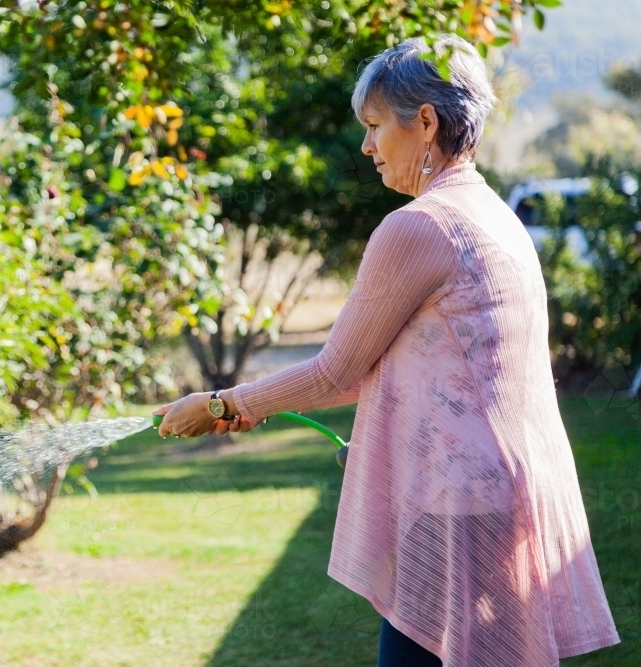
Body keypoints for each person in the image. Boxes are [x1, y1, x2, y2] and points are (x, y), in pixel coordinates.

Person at [153, 35, 620, 667]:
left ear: (425, 122)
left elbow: (335, 370)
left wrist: (218, 404)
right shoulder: (492, 214)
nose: (368, 146)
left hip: (458, 505)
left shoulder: (420, 226)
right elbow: (389, 365)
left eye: (374, 126)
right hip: (500, 491)